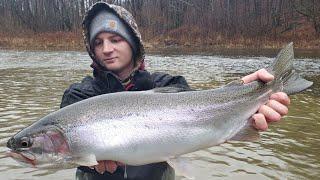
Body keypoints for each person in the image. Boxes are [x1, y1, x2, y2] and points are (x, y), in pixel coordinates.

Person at [60, 2, 290, 180]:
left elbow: (206, 114)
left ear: (133, 43)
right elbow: (65, 155)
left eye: (115, 39)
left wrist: (244, 94)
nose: (107, 49)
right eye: (98, 43)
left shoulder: (170, 85)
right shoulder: (78, 97)